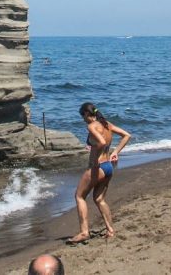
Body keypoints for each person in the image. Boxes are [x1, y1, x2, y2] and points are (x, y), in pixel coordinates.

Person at [68, 102, 131, 244]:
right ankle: (110, 230)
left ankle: (84, 232)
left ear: (86, 113)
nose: (82, 119)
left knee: (79, 196)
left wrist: (95, 158)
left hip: (98, 167)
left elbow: (101, 142)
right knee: (99, 199)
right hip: (108, 166)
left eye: (82, 116)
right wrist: (115, 152)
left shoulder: (91, 126)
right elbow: (126, 135)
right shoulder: (106, 124)